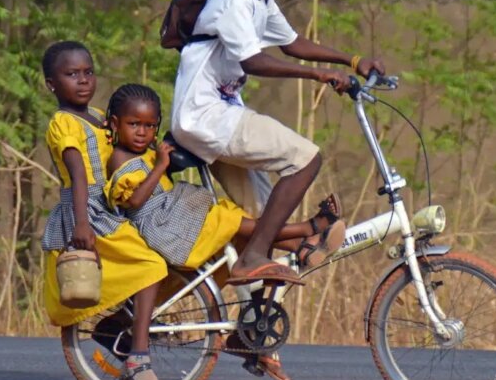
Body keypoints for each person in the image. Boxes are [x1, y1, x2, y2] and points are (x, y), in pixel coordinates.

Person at [170, 0, 386, 289]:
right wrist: (318, 75)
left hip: (220, 115)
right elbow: (252, 61)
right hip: (205, 115)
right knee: (305, 158)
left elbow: (292, 43)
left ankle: (261, 295)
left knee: (261, 217)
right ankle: (263, 254)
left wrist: (351, 61)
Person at [39, 41, 170, 380]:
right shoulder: (63, 123)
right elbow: (78, 174)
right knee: (150, 266)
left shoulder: (99, 115)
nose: (83, 80)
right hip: (88, 211)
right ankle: (138, 361)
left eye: (88, 72)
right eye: (71, 74)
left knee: (160, 256)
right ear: (51, 84)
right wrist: (82, 224)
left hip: (109, 204)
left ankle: (119, 328)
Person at [104, 83, 345, 271]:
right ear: (115, 124)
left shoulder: (147, 152)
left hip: (174, 217)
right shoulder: (120, 158)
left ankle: (298, 245)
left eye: (149, 126)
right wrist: (160, 166)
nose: (142, 132)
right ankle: (308, 228)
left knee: (236, 217)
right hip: (164, 228)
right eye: (134, 124)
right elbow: (135, 201)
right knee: (232, 221)